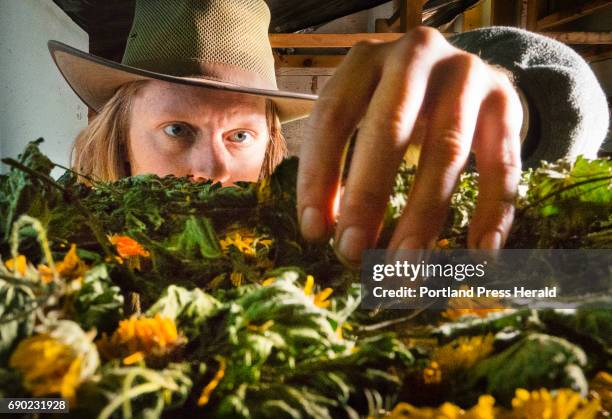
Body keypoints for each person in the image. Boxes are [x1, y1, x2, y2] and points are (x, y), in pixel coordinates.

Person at [49, 0, 609, 266]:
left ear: (272, 144)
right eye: (176, 129)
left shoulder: (323, 250)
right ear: (117, 136)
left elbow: (577, 283)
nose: (215, 169)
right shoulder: (53, 261)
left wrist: (514, 99)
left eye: (239, 136)